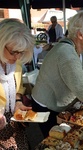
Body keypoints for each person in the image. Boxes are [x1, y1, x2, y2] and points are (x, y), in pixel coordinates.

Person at [0, 18, 35, 149]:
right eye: (13, 52)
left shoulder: (15, 63)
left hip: (12, 126)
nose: (17, 57)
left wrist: (18, 103)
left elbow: (18, 88)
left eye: (20, 52)